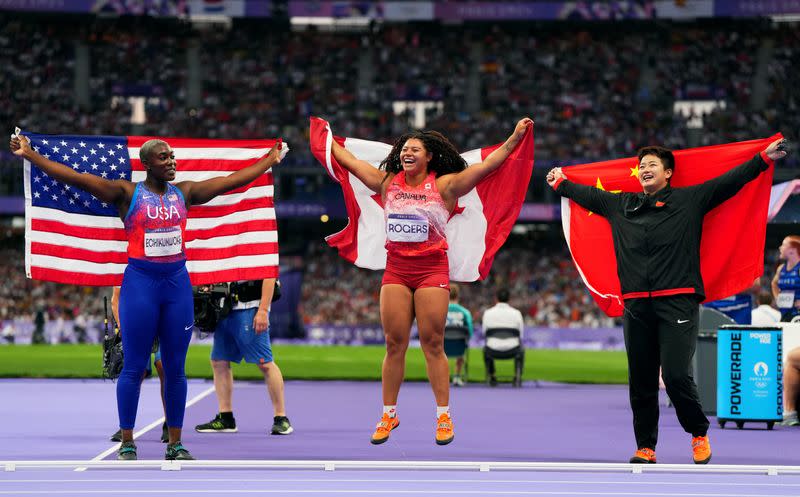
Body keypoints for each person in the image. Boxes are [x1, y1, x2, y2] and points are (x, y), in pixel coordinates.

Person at [11, 133, 282, 461]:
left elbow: (229, 182)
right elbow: (76, 178)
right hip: (140, 286)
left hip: (176, 287)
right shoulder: (126, 194)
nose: (171, 161)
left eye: (172, 156)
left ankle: (176, 443)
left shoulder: (185, 192)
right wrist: (31, 155)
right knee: (134, 366)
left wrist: (268, 161)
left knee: (175, 367)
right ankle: (127, 441)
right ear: (147, 164)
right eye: (164, 157)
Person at [547, 138, 787, 464]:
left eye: (652, 165)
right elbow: (589, 194)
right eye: (642, 165)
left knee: (675, 375)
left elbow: (728, 183)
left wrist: (762, 158)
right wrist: (561, 184)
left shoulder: (689, 201)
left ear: (668, 173)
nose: (645, 169)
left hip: (678, 301)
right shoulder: (622, 205)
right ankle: (646, 446)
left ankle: (698, 433)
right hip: (635, 305)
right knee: (642, 381)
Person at [329, 117, 533, 446]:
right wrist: (326, 140)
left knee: (432, 344)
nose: (408, 152)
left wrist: (512, 140)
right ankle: (388, 414)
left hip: (431, 271)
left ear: (429, 157)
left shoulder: (445, 186)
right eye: (405, 148)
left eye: (415, 149)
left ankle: (443, 416)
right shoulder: (387, 182)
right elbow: (350, 161)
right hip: (396, 269)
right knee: (394, 344)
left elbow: (488, 168)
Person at [194, 278, 293, 436]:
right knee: (219, 361)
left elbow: (269, 274)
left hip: (250, 307)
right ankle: (226, 417)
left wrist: (263, 310)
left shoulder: (260, 252)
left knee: (265, 363)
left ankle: (281, 417)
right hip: (225, 307)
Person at [108, 286, 169, 444]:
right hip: (137, 322)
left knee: (164, 366)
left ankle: (170, 423)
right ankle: (126, 427)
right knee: (137, 371)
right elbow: (116, 299)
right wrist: (122, 326)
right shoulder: (126, 267)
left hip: (164, 321)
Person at [481, 287, 524, 387]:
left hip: (492, 350)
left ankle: (492, 376)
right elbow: (521, 335)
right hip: (513, 350)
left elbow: (484, 333)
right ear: (509, 299)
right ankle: (517, 377)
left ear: (496, 299)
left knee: (485, 349)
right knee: (522, 350)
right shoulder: (516, 313)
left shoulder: (488, 313)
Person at [445, 283, 473, 387]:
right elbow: (469, 330)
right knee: (461, 345)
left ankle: (443, 377)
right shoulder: (465, 312)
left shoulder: (440, 310)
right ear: (458, 295)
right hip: (459, 347)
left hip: (442, 346)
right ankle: (457, 376)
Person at [771, 236, 800, 321]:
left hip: (797, 314)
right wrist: (777, 298)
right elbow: (774, 283)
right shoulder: (781, 268)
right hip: (784, 313)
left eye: (783, 245)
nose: (780, 248)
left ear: (792, 250)